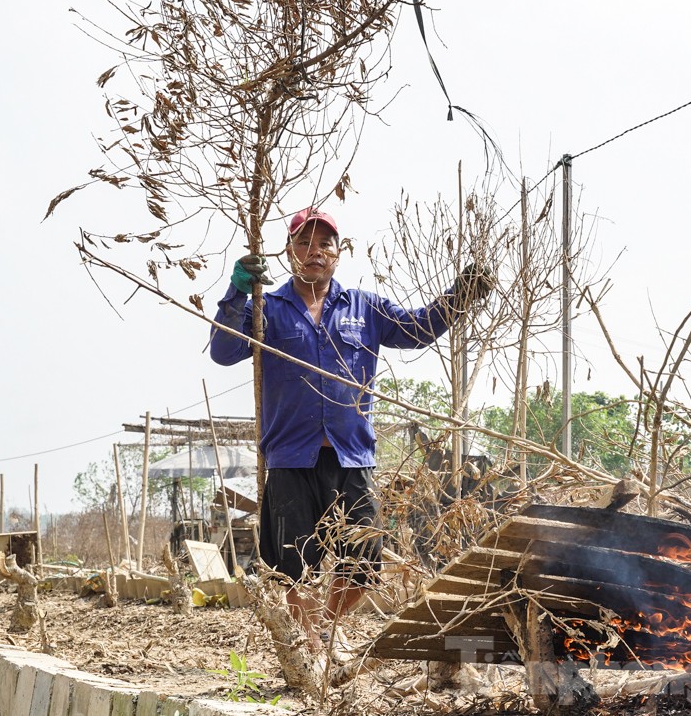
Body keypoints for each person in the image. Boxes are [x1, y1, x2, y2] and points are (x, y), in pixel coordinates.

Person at [209, 207, 491, 655]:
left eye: (325, 244)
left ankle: (325, 628)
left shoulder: (365, 308)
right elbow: (223, 352)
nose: (314, 252)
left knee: (363, 564)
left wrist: (460, 297)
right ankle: (312, 644)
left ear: (339, 253)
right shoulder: (270, 310)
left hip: (350, 457)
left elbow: (418, 329)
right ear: (289, 251)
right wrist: (237, 292)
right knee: (291, 567)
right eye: (304, 243)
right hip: (290, 458)